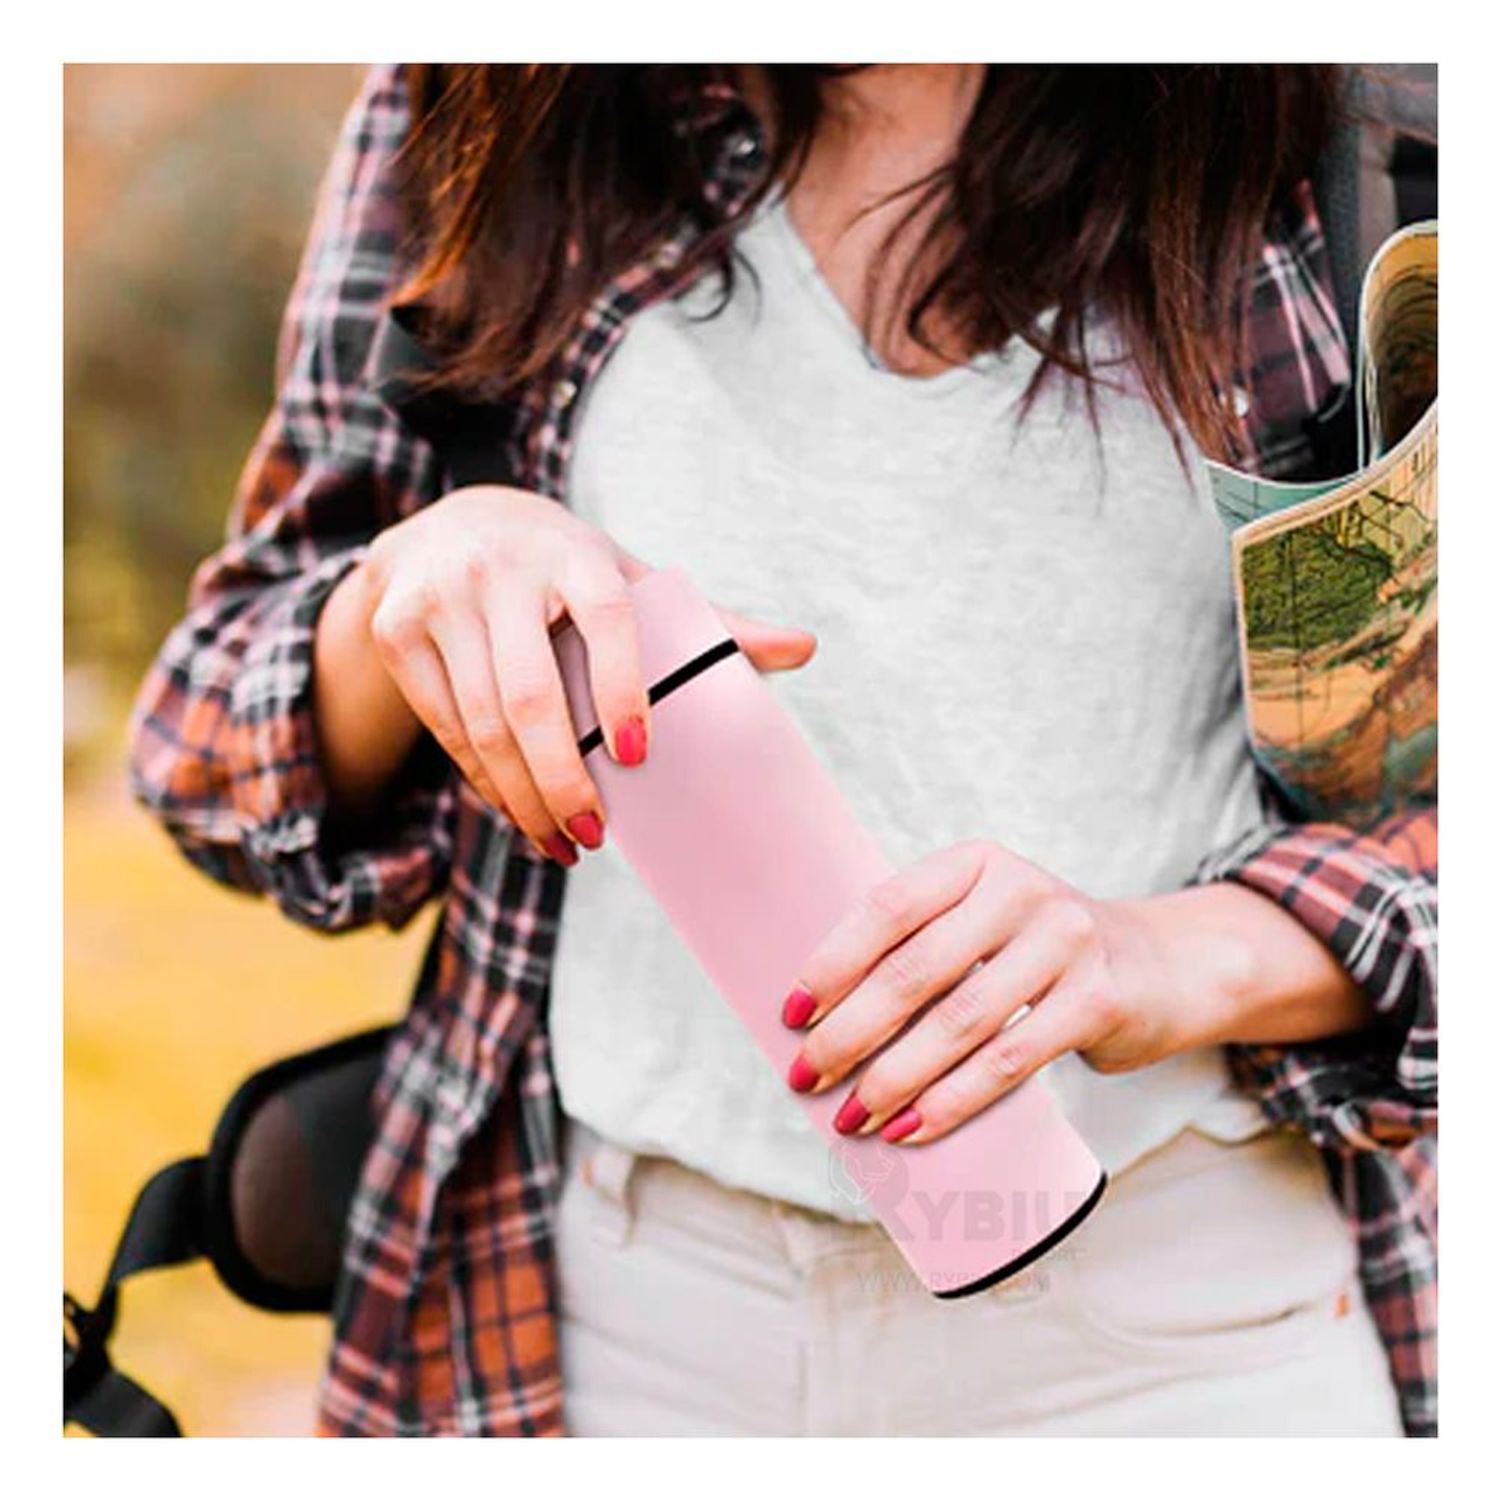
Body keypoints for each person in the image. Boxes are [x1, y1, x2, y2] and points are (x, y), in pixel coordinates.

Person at [129, 63, 1437, 1437]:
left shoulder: (1357, 135)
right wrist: (412, 588)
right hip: (609, 1322)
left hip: (1186, 1342)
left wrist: (1161, 954)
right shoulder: (492, 104)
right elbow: (206, 739)